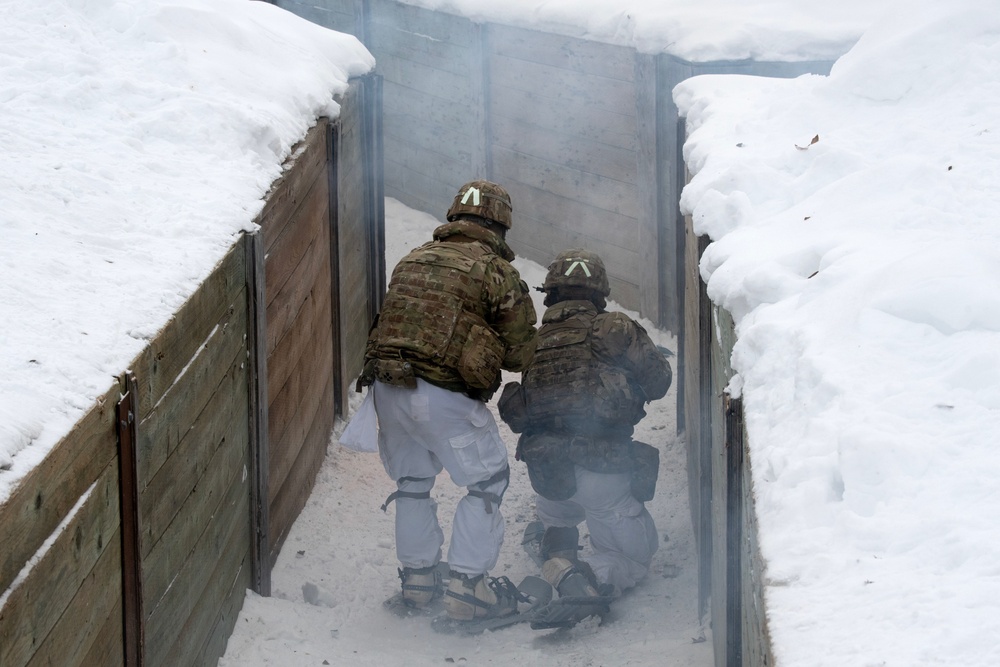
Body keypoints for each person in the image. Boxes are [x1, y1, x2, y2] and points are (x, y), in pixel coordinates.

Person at [357, 180, 537, 623]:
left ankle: (418, 583)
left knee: (413, 483)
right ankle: (468, 591)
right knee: (487, 482)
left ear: (454, 217)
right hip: (441, 397)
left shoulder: (413, 257)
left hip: (387, 391)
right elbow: (520, 354)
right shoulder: (495, 271)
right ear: (499, 225)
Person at [498, 248, 672, 622]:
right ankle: (582, 577)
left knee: (561, 517)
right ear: (599, 292)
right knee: (632, 557)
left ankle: (557, 553)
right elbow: (659, 381)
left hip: (549, 476)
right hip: (601, 471)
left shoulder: (535, 340)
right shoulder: (614, 327)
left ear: (551, 293)